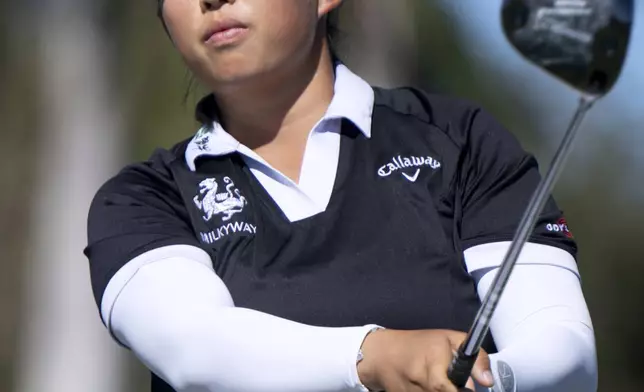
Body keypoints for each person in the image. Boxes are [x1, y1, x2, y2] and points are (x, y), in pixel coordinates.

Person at [84, 1, 598, 391]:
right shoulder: (142, 200)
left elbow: (563, 348)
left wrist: (491, 380)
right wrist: (369, 356)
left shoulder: (462, 142)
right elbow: (193, 351)